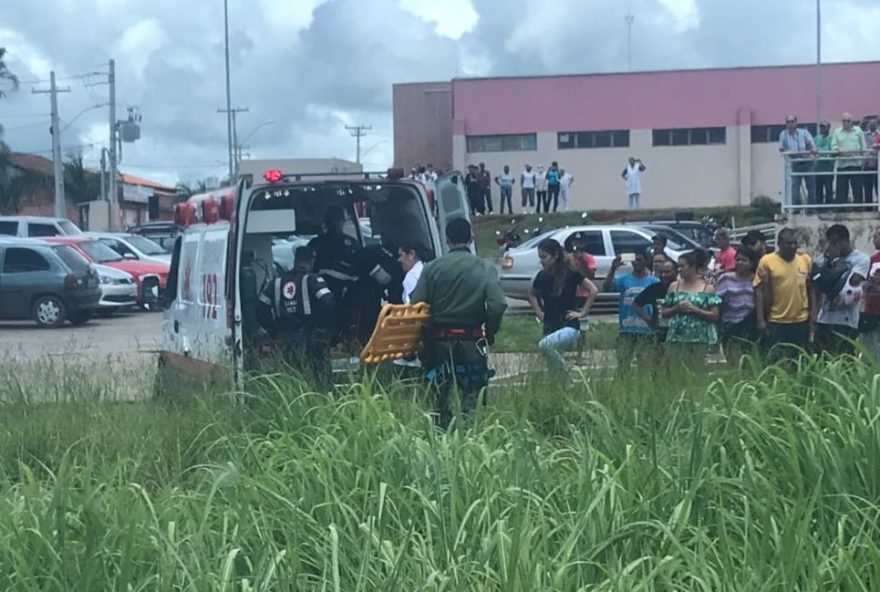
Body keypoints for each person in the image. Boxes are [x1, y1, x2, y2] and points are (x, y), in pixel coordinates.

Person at [411, 218, 507, 428]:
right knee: (471, 398)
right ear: (471, 238)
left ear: (446, 240)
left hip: (438, 343)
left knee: (438, 397)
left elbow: (416, 304)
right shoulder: (485, 268)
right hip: (472, 341)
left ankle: (440, 438)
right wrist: (489, 332)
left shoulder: (432, 268)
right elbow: (498, 304)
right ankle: (469, 441)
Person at [257, 246, 336, 384]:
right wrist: (322, 324)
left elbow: (260, 307)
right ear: (312, 260)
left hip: (283, 338)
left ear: (296, 260)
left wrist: (272, 328)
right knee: (319, 378)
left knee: (290, 378)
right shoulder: (313, 279)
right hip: (310, 337)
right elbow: (328, 302)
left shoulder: (276, 282)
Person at [528, 239, 598, 372]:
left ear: (555, 255)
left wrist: (583, 312)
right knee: (553, 364)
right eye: (540, 258)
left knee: (545, 345)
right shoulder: (542, 276)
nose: (542, 261)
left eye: (544, 257)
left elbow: (593, 290)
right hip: (550, 323)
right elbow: (531, 293)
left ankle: (565, 373)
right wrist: (539, 312)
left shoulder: (571, 272)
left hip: (569, 324)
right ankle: (562, 386)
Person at [754, 228, 813, 360]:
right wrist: (760, 319)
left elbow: (810, 288)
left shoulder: (805, 260)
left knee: (798, 359)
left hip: (800, 320)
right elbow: (758, 291)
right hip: (776, 319)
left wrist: (812, 314)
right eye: (788, 244)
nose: (792, 247)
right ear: (779, 244)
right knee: (776, 359)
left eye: (795, 243)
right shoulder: (766, 261)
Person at [813, 224, 869, 356]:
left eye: (836, 243)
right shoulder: (823, 259)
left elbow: (848, 285)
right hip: (825, 318)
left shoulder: (861, 259)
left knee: (844, 360)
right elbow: (820, 285)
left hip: (846, 321)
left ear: (846, 240)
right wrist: (830, 261)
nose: (833, 246)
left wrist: (834, 262)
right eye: (831, 243)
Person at [661, 250, 721, 368]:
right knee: (675, 368)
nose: (679, 269)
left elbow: (715, 315)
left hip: (699, 337)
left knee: (696, 368)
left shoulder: (707, 289)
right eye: (678, 266)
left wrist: (696, 310)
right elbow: (664, 313)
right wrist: (677, 308)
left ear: (692, 267)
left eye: (682, 266)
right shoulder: (674, 286)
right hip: (676, 337)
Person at [603, 250, 659, 372]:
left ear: (646, 261)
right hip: (626, 329)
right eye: (634, 260)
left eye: (640, 260)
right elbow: (607, 287)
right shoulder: (623, 279)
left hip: (646, 329)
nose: (636, 263)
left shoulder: (653, 281)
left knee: (644, 365)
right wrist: (613, 269)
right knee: (623, 364)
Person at [716, 247, 758, 361]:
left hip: (750, 325)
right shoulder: (725, 278)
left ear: (752, 263)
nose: (740, 263)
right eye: (738, 260)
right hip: (730, 324)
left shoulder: (756, 280)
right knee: (732, 358)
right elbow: (717, 301)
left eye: (744, 260)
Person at [394, 243, 426, 370]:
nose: (399, 260)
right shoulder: (425, 270)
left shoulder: (411, 277)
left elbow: (412, 312)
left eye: (401, 255)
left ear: (411, 254)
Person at [633, 258, 678, 344]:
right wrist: (648, 320)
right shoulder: (654, 288)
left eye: (667, 272)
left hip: (678, 332)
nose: (663, 275)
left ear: (676, 272)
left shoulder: (682, 288)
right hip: (659, 333)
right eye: (661, 272)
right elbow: (636, 304)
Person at [778, 114, 816, 206]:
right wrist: (790, 153)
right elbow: (781, 149)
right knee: (795, 187)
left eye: (792, 121)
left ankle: (812, 208)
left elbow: (811, 144)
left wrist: (813, 149)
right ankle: (796, 209)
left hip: (807, 163)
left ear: (796, 122)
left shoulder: (804, 132)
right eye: (788, 122)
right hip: (795, 163)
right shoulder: (783, 134)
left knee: (811, 187)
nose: (790, 124)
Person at [832, 112, 867, 205]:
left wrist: (864, 160)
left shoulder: (858, 131)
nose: (846, 122)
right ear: (841, 121)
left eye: (848, 120)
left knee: (857, 188)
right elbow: (833, 146)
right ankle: (841, 210)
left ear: (852, 121)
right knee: (841, 189)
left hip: (855, 164)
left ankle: (858, 210)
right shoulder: (836, 132)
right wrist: (838, 149)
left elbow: (864, 147)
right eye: (844, 121)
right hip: (842, 164)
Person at [859, 227, 880, 358]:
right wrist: (868, 284)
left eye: (877, 236)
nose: (874, 239)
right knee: (869, 352)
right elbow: (862, 285)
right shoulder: (870, 260)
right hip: (871, 311)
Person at [814, 121, 835, 205]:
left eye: (823, 126)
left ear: (828, 128)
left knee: (828, 188)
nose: (822, 128)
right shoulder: (816, 138)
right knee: (818, 189)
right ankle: (819, 207)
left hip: (828, 168)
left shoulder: (832, 138)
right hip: (818, 168)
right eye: (821, 127)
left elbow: (833, 151)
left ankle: (829, 206)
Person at [864, 118, 879, 203]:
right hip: (867, 163)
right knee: (867, 185)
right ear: (869, 125)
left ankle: (878, 203)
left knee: (878, 185)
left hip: (878, 163)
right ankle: (868, 205)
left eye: (874, 123)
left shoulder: (879, 135)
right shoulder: (864, 135)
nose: (873, 125)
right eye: (871, 123)